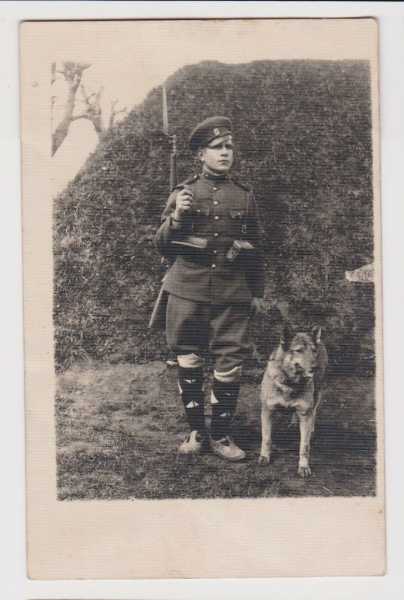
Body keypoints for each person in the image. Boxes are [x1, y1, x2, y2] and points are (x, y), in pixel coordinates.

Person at [154, 116, 265, 461]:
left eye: (229, 147)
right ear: (201, 154)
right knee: (188, 358)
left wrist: (257, 292)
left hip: (232, 292)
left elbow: (256, 245)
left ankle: (221, 436)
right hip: (187, 290)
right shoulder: (182, 193)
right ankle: (197, 432)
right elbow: (161, 246)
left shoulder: (244, 197)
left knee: (229, 362)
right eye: (217, 148)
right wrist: (176, 218)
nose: (225, 153)